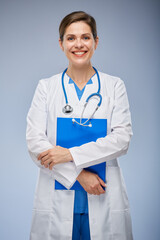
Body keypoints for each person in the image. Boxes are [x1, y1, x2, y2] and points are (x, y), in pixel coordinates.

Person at [26, 11, 133, 240]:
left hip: (103, 193)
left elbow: (122, 140)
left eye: (85, 37)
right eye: (71, 38)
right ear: (61, 43)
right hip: (57, 196)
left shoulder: (114, 86)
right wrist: (78, 175)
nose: (79, 44)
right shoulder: (47, 87)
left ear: (96, 42)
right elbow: (36, 144)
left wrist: (69, 155)